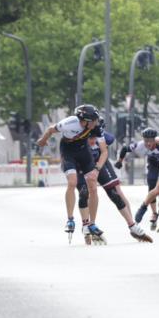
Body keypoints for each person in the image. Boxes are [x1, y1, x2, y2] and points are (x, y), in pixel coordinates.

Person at [36, 104, 106, 243]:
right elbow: (51, 129)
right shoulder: (69, 123)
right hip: (68, 152)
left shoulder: (96, 127)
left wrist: (97, 169)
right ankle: (70, 219)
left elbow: (104, 150)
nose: (95, 123)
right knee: (72, 182)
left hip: (83, 151)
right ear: (84, 121)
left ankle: (92, 223)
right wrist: (43, 140)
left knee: (93, 186)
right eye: (93, 121)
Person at [77, 121, 152, 243]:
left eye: (95, 136)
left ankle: (132, 225)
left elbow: (110, 139)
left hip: (100, 164)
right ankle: (88, 225)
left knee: (116, 193)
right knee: (86, 192)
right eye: (90, 136)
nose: (93, 139)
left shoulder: (102, 136)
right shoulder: (79, 138)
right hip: (84, 165)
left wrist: (100, 133)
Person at [116, 127, 159, 230]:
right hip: (153, 164)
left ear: (155, 139)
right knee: (151, 183)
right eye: (146, 141)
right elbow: (124, 149)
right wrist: (120, 161)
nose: (148, 144)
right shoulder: (140, 145)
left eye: (151, 141)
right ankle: (154, 213)